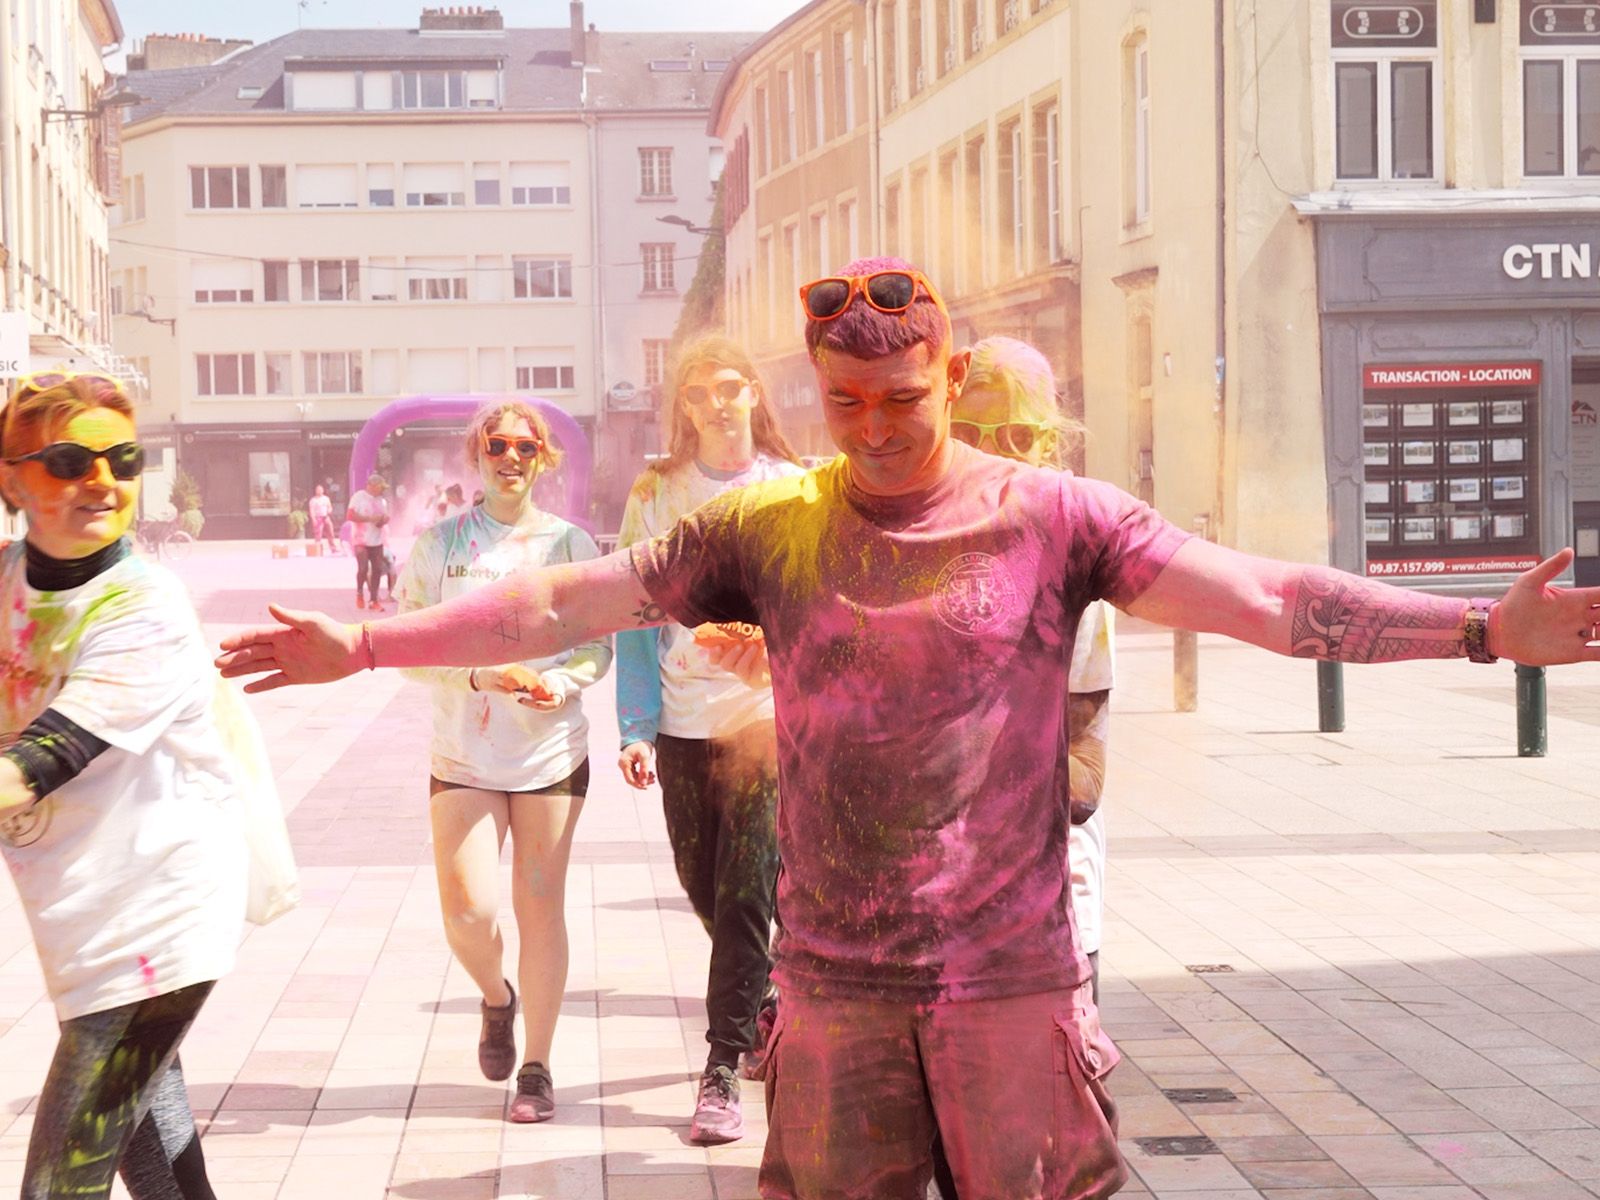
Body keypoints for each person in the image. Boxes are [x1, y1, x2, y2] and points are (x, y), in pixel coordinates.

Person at [217, 257, 1600, 1200]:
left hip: (1010, 991)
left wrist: (1479, 632)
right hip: (832, 995)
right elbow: (563, 601)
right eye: (847, 403)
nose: (875, 430)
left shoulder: (1054, 517)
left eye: (904, 402)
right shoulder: (770, 523)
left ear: (951, 378)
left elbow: (1264, 597)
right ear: (814, 391)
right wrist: (370, 643)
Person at [1, 371, 257, 1199]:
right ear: (12, 479)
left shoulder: (145, 606)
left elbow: (36, 765)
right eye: (69, 461)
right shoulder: (8, 581)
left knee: (58, 1184)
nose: (103, 481)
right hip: (83, 916)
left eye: (123, 460)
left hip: (155, 925)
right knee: (158, 1166)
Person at [930, 335, 1114, 1200]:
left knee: (1046, 1141)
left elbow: (1085, 770)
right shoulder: (912, 552)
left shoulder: (1075, 562)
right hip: (931, 906)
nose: (997, 457)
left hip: (1045, 907)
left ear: (1047, 442)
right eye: (974, 433)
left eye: (1018, 438)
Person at [394, 401, 611, 1124]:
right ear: (477, 454)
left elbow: (598, 645)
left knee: (539, 906)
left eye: (525, 446)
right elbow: (408, 651)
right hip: (464, 753)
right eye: (497, 445)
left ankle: (537, 1067)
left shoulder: (572, 544)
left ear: (544, 458)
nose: (511, 457)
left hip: (551, 752)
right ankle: (496, 997)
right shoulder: (440, 545)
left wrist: (563, 683)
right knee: (468, 913)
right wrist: (479, 677)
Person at [615, 334, 805, 1144]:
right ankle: (763, 1000)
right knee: (703, 885)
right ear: (683, 408)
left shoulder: (793, 486)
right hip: (683, 724)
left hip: (764, 719)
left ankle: (722, 1068)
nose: (717, 404)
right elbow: (632, 617)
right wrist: (635, 727)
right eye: (698, 393)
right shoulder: (656, 493)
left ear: (754, 392)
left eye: (730, 387)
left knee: (745, 890)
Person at [347, 472, 389, 610]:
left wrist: (383, 520)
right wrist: (369, 519)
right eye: (380, 487)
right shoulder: (359, 497)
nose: (382, 490)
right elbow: (350, 515)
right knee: (363, 568)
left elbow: (381, 521)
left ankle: (374, 600)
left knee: (377, 569)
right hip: (361, 540)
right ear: (372, 485)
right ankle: (359, 592)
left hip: (377, 540)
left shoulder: (382, 501)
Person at [308, 483, 338, 555]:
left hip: (326, 517)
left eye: (321, 490)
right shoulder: (313, 500)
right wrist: (313, 519)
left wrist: (329, 510)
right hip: (318, 518)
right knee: (318, 534)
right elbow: (311, 510)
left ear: (323, 490)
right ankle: (318, 549)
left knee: (330, 532)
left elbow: (329, 507)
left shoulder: (326, 499)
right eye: (318, 490)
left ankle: (333, 548)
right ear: (316, 491)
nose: (319, 491)